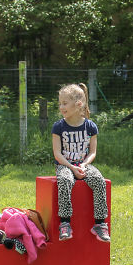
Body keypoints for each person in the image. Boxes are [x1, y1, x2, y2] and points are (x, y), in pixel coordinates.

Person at [51, 83, 110, 242]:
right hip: (64, 165)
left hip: (84, 165)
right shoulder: (58, 127)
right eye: (60, 103)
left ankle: (100, 224)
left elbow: (92, 152)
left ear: (78, 105)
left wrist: (83, 165)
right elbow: (57, 153)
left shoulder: (90, 126)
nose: (61, 107)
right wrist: (71, 167)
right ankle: (65, 222)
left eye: (65, 103)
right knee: (65, 180)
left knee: (99, 180)